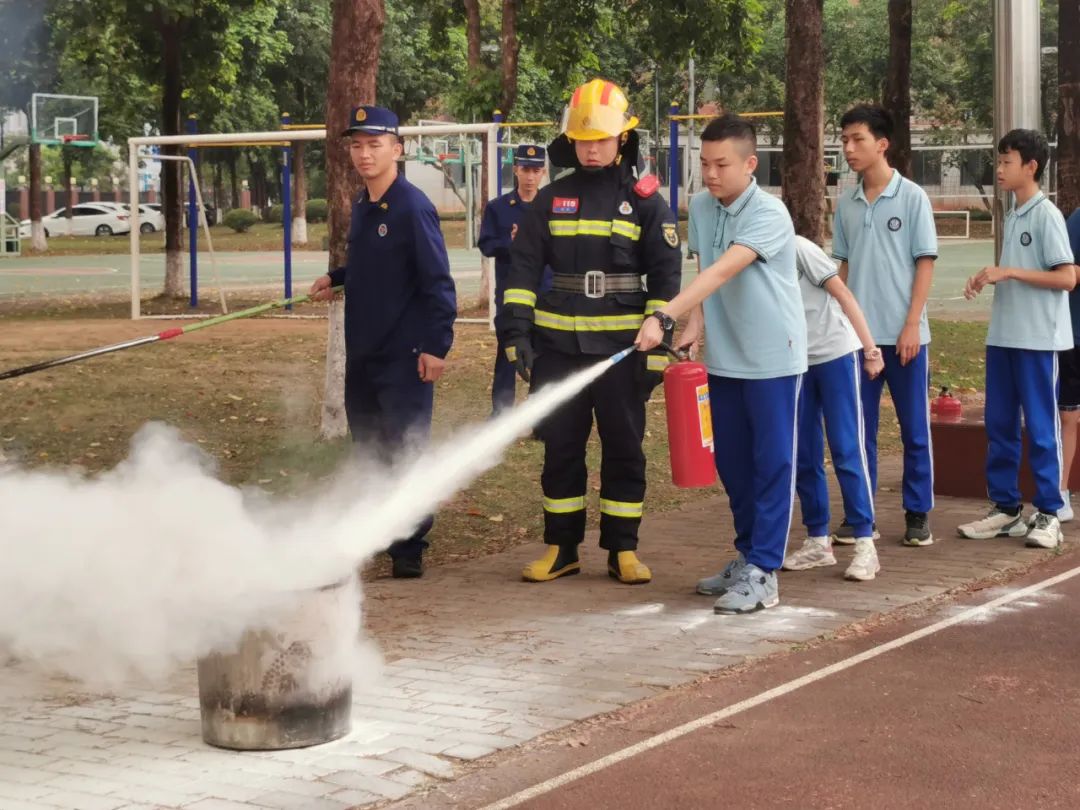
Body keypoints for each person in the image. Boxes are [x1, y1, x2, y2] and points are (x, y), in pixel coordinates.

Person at [500, 78, 683, 585]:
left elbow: (667, 277)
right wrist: (516, 333)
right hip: (558, 350)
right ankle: (562, 549)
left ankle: (623, 550)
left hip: (624, 354)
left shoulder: (646, 201)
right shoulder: (551, 199)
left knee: (624, 448)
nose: (593, 148)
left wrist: (658, 335)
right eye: (584, 139)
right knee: (561, 450)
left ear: (622, 139)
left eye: (602, 138)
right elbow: (521, 271)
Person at [636, 113, 806, 614]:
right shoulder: (705, 209)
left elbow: (727, 267)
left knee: (772, 465)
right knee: (732, 464)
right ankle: (746, 556)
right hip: (725, 362)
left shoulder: (770, 214)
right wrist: (696, 327)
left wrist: (667, 313)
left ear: (750, 164)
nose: (710, 174)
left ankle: (765, 572)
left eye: (721, 164)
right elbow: (706, 272)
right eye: (704, 164)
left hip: (775, 360)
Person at [310, 105, 457, 579]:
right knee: (370, 449)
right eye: (357, 145)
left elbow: (438, 282)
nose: (364, 154)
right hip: (365, 353)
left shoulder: (413, 207)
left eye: (375, 144)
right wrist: (336, 277)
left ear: (397, 148)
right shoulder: (364, 204)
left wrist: (437, 345)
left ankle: (409, 546)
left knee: (404, 449)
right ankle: (380, 531)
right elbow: (371, 268)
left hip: (406, 356)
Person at [957, 129, 1077, 549]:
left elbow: (1067, 277)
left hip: (1038, 341)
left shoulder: (1046, 215)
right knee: (1000, 425)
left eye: (1007, 161)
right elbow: (1017, 272)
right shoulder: (1014, 213)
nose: (1000, 169)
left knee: (1042, 428)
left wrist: (1007, 271)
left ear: (1032, 166)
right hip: (1003, 338)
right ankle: (1006, 509)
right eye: (999, 161)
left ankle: (1048, 511)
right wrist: (988, 277)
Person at [832, 104, 938, 547]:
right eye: (845, 140)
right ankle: (863, 514)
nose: (849, 148)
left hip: (905, 338)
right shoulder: (847, 203)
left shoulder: (912, 197)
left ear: (882, 143)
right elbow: (840, 268)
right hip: (860, 339)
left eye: (857, 139)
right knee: (859, 430)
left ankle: (918, 514)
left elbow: (925, 262)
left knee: (915, 429)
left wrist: (911, 324)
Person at [782, 236, 884, 581]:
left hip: (836, 355)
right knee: (804, 453)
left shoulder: (799, 249)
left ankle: (865, 544)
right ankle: (817, 541)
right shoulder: (747, 256)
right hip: (795, 363)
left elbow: (844, 294)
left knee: (846, 448)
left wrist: (870, 349)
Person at [478, 144, 548, 415]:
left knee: (544, 357)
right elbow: (486, 245)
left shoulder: (551, 206)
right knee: (508, 354)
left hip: (546, 293)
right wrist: (512, 242)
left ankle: (538, 415)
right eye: (525, 170)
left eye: (536, 170)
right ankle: (501, 415)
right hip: (511, 295)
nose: (530, 176)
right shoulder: (498, 208)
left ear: (543, 173)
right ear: (516, 170)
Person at [1058, 207, 1080, 522]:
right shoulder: (1077, 220)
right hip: (1074, 335)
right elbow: (1069, 275)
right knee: (1068, 416)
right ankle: (1060, 492)